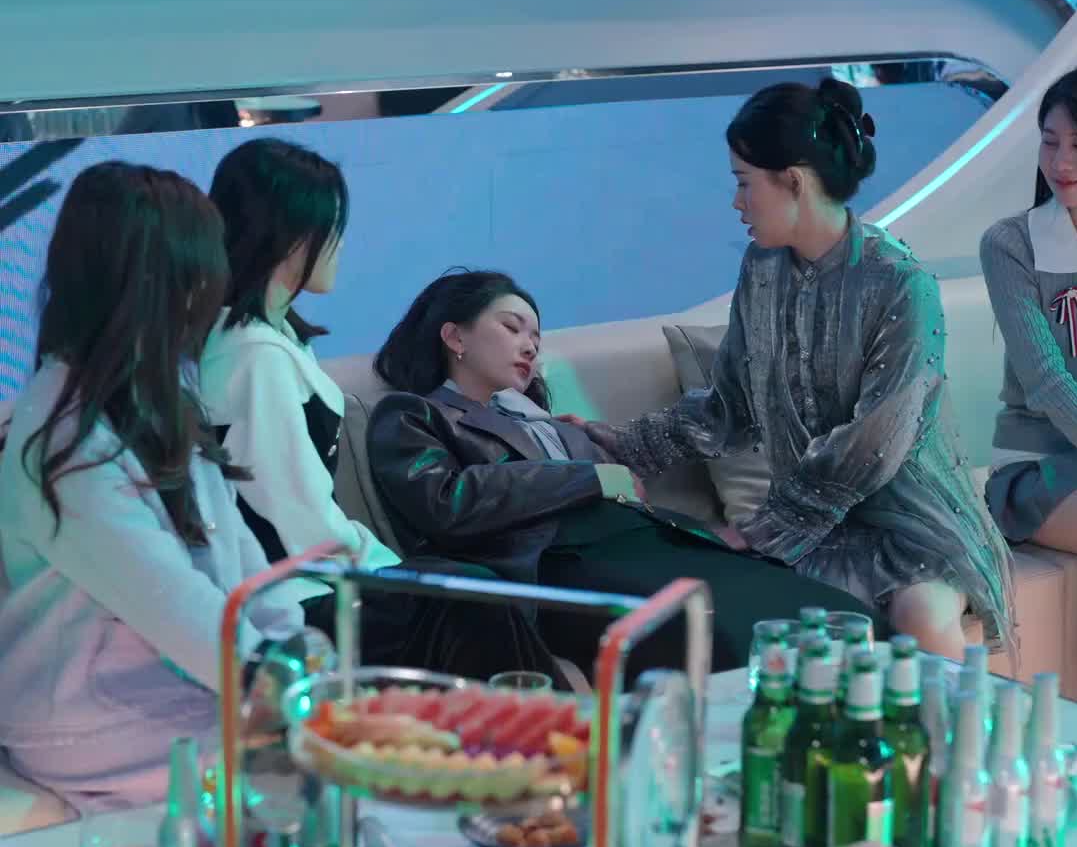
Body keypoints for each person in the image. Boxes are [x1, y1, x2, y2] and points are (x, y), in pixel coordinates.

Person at [570, 77, 1013, 661]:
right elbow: (730, 408)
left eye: (743, 182)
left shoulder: (900, 283)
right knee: (745, 620)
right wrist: (618, 444)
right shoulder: (761, 270)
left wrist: (764, 529)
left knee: (923, 622)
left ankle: (946, 723)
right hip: (816, 532)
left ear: (794, 182)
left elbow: (874, 443)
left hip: (911, 526)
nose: (736, 202)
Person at [367, 269, 883, 682]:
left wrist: (598, 462)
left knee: (830, 614)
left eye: (536, 336)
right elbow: (447, 502)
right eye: (511, 327)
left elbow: (621, 482)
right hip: (559, 558)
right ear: (455, 335)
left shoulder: (544, 419)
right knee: (723, 633)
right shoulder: (414, 415)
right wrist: (591, 478)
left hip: (644, 539)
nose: (529, 345)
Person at [0, 165, 303, 809]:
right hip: (89, 716)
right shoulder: (61, 435)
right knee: (318, 774)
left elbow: (242, 558)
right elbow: (167, 597)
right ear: (160, 282)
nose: (215, 290)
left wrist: (290, 651)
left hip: (183, 684)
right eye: (202, 269)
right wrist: (283, 685)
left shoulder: (161, 391)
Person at [202, 138, 555, 679]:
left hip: (315, 576)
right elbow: (297, 517)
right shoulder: (253, 355)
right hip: (291, 597)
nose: (341, 245)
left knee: (470, 588)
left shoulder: (276, 341)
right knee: (469, 599)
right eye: (333, 228)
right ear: (293, 235)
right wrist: (388, 566)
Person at [982, 69, 1077, 556]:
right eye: (1050, 142)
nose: (1061, 162)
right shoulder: (1010, 244)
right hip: (1036, 464)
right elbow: (1045, 381)